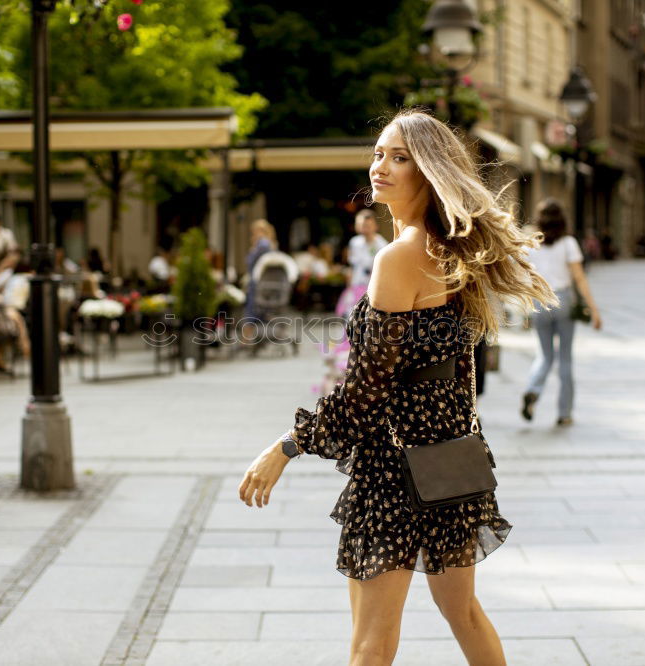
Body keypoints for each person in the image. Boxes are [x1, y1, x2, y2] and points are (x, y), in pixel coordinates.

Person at [238, 110, 557, 666]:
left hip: (394, 466)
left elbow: (365, 393)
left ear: (429, 173)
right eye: (380, 153)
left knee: (370, 642)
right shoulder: (450, 249)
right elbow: (456, 370)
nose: (381, 166)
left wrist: (285, 446)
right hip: (450, 458)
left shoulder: (400, 257)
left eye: (400, 157)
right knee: (464, 614)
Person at [521, 198, 602, 427]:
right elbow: (579, 278)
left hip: (539, 301)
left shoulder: (531, 244)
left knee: (544, 356)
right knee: (565, 359)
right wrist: (594, 310)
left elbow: (524, 279)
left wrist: (526, 307)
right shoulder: (568, 243)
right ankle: (564, 413)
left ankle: (532, 390)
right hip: (563, 299)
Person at [347, 208, 388, 287]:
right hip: (356, 284)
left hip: (373, 286)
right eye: (361, 225)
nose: (364, 228)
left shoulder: (382, 245)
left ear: (376, 226)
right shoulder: (354, 242)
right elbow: (352, 266)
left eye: (367, 225)